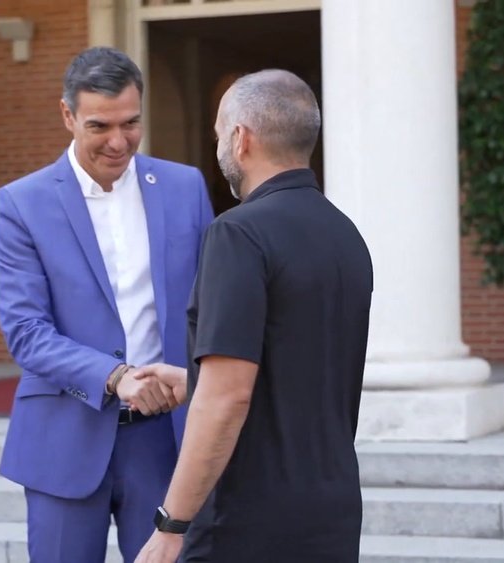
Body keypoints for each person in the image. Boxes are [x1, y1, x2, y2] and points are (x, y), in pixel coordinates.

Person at [135, 69, 374, 562]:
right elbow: (302, 366)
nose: (218, 140)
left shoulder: (238, 235)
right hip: (332, 513)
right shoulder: (345, 235)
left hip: (245, 522)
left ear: (241, 139)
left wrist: (171, 525)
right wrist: (193, 380)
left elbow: (227, 398)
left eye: (221, 130)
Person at [0, 46, 214, 562]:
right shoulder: (21, 203)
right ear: (67, 115)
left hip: (165, 439)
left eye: (131, 123)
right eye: (99, 126)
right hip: (63, 435)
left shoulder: (185, 187)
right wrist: (117, 376)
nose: (119, 142)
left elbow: (208, 306)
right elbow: (26, 331)